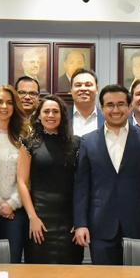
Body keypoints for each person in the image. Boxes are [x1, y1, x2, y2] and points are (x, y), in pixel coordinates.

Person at [73, 84, 140, 265]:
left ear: (130, 107)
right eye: (110, 105)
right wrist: (80, 224)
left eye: (121, 104)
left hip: (138, 226)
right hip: (100, 227)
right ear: (102, 108)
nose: (115, 110)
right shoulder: (88, 141)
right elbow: (82, 187)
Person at [17, 94, 83, 264]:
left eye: (55, 111)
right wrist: (33, 218)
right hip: (39, 220)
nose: (51, 115)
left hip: (69, 222)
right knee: (38, 273)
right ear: (39, 115)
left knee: (71, 273)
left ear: (62, 115)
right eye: (46, 111)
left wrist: (80, 219)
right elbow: (22, 182)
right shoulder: (28, 143)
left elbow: (81, 184)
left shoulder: (76, 144)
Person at [0, 85, 28, 263]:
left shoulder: (24, 135)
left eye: (9, 102)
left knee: (11, 263)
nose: (4, 106)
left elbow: (28, 177)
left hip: (15, 211)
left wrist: (12, 204)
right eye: (0, 101)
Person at [70, 68, 104, 137]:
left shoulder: (107, 119)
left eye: (88, 85)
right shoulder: (61, 118)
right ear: (71, 90)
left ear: (97, 89)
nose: (83, 89)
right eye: (78, 85)